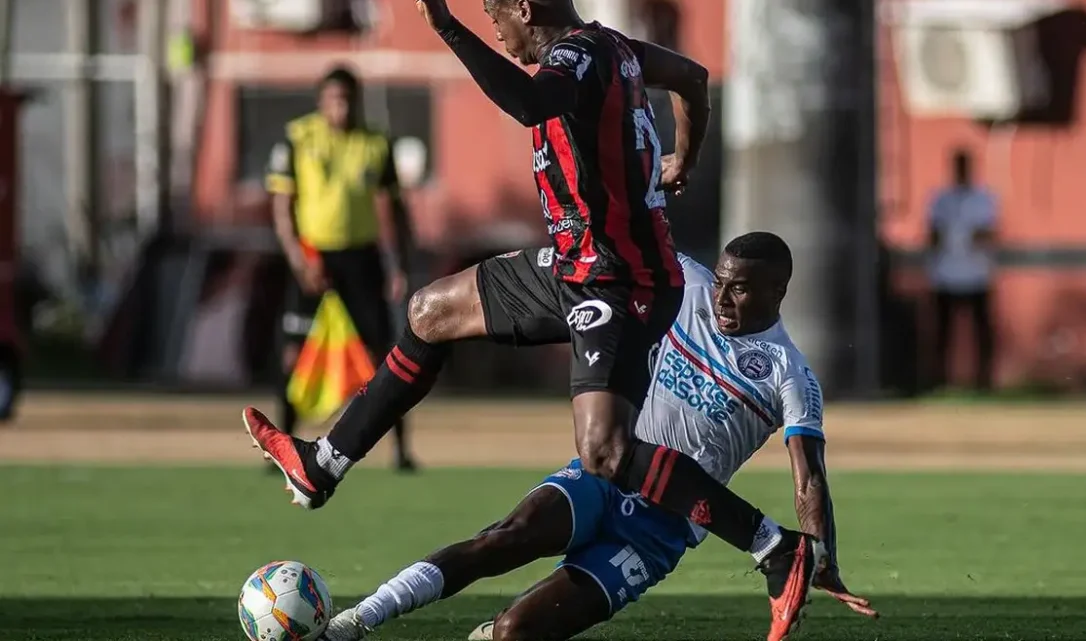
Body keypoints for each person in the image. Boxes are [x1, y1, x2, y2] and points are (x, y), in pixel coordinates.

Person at [245, 2, 821, 638]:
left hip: (620, 279)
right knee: (429, 312)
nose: (496, 29)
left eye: (495, 15)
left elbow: (529, 102)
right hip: (572, 267)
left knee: (603, 450)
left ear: (524, 6)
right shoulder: (619, 51)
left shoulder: (577, 56)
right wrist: (684, 157)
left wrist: (445, 25)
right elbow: (692, 77)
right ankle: (324, 460)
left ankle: (773, 546)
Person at [317, 235, 878, 641]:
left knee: (516, 631)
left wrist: (821, 553)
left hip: (660, 532)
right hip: (605, 474)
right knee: (504, 538)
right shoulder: (688, 287)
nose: (722, 299)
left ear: (778, 290)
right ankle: (358, 620)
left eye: (740, 290)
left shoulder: (790, 373)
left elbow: (809, 479)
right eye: (722, 282)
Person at [265, 65, 418, 471]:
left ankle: (400, 449)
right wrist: (299, 260)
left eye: (348, 99)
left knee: (386, 355)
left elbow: (394, 209)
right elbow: (282, 207)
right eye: (334, 99)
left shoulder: (374, 144)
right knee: (293, 354)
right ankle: (282, 445)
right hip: (313, 257)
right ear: (321, 101)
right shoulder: (298, 137)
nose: (341, 107)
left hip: (361, 258)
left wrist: (399, 264)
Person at [926, 147, 998, 391]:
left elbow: (987, 232)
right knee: (943, 333)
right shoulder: (941, 199)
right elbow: (932, 233)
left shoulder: (982, 198)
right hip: (945, 273)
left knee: (982, 332)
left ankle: (984, 381)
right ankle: (939, 380)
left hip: (976, 273)